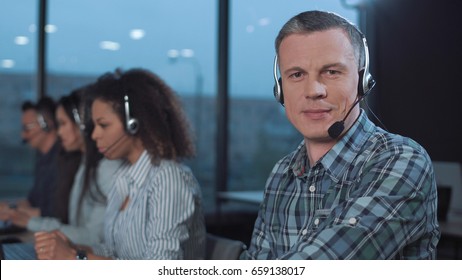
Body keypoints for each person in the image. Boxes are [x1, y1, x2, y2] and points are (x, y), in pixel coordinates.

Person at [241, 10, 440, 260]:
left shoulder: (403, 161)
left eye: (331, 72)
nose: (313, 91)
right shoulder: (282, 173)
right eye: (297, 74)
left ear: (362, 82)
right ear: (280, 90)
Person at [34, 68, 206, 260]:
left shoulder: (168, 178)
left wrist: (76, 259)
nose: (94, 135)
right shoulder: (123, 178)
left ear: (134, 123)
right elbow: (115, 254)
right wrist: (73, 247)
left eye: (103, 125)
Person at [7, 87, 121, 246]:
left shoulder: (105, 169)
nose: (59, 133)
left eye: (62, 124)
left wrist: (31, 222)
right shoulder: (84, 165)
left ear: (82, 125)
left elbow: (94, 238)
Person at [0, 97, 61, 220]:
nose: (23, 135)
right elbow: (32, 201)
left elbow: (54, 212)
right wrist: (9, 207)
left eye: (27, 128)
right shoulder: (42, 158)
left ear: (46, 125)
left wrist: (12, 211)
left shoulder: (63, 160)